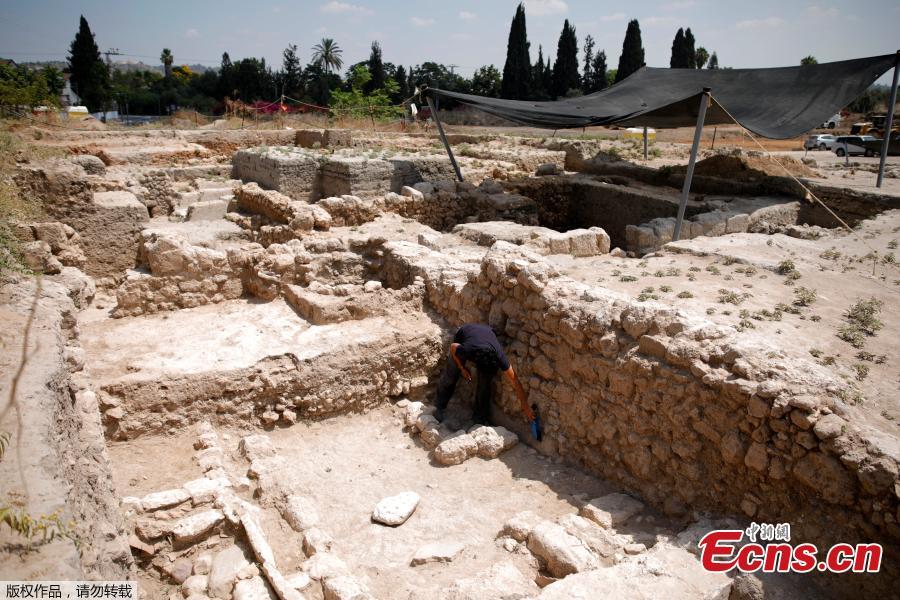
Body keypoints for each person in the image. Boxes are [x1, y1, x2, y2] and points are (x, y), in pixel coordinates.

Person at [434, 323, 533, 425]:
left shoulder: (499, 356)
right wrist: (462, 368)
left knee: (484, 384)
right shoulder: (467, 349)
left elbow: (515, 380)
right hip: (465, 333)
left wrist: (525, 406)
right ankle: (439, 406)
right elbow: (453, 347)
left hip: (485, 334)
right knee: (451, 374)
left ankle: (479, 418)